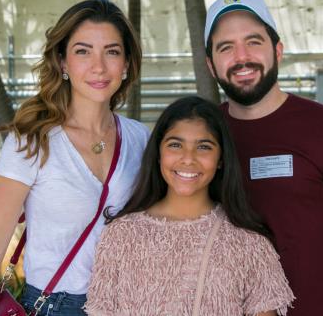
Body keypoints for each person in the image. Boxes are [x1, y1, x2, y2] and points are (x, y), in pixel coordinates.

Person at [0, 0, 149, 316]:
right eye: (83, 51)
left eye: (112, 51)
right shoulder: (32, 140)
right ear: (62, 62)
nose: (98, 66)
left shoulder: (142, 139)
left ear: (126, 64)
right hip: (54, 306)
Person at [203, 0, 323, 316]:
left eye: (254, 41)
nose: (242, 56)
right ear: (210, 64)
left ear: (278, 50)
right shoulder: (202, 137)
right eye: (226, 47)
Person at [84, 96, 295, 316]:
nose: (188, 159)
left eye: (204, 147)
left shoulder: (249, 244)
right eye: (175, 144)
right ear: (158, 153)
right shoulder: (121, 236)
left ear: (221, 158)